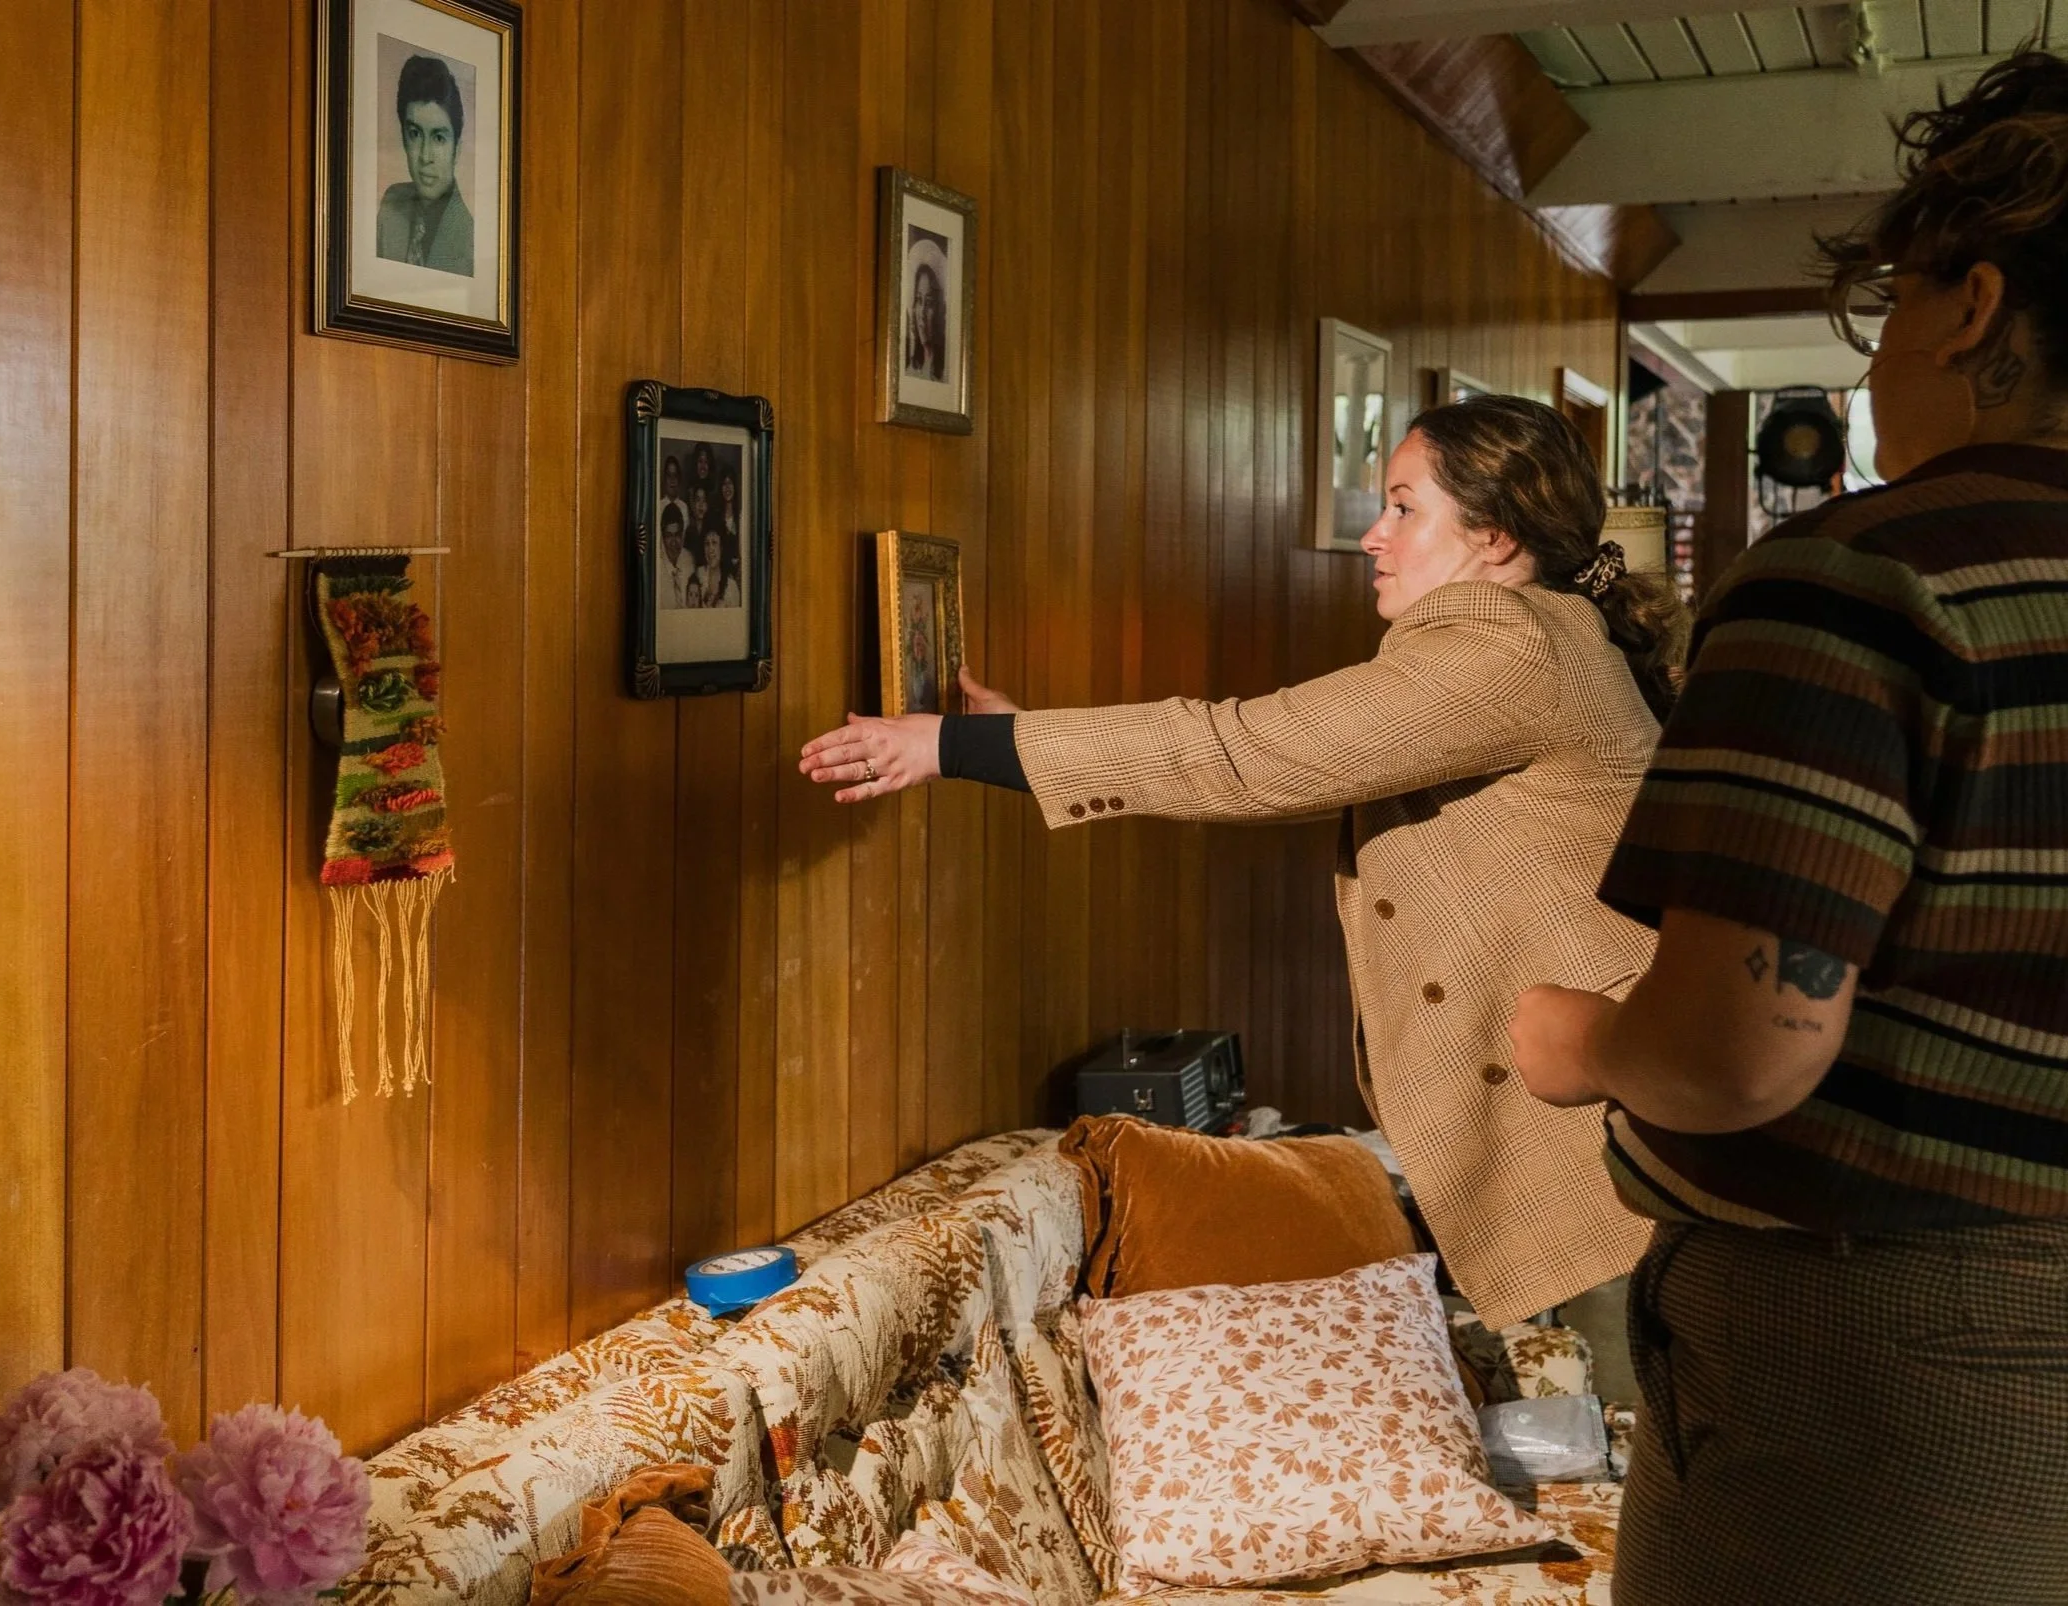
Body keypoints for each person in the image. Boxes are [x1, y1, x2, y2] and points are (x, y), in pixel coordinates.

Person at [1509, 51, 2068, 1603]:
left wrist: (1578, 1039)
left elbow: (1738, 1047)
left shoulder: (1866, 577)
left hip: (1887, 1375)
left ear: (1970, 305)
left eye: (1890, 301)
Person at [799, 395, 1689, 1325]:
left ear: (1495, 538)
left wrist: (950, 747)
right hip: (1601, 1122)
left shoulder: (1505, 650)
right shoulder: (1535, 636)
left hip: (1604, 1139)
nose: (1372, 538)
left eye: (1402, 507)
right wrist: (1020, 739)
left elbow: (1244, 754)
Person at [375, 54, 473, 276]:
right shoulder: (392, 201)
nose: (425, 156)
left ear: (457, 149)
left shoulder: (471, 238)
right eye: (415, 134)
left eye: (439, 138)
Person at [904, 239, 947, 381]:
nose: (921, 314)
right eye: (918, 300)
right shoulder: (911, 369)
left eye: (928, 303)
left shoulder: (945, 371)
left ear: (939, 308)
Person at [658, 503, 695, 609]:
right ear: (662, 537)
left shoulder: (689, 559)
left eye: (677, 535)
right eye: (669, 536)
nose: (674, 542)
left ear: (682, 535)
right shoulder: (656, 567)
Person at [695, 528, 740, 609]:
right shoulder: (699, 575)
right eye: (707, 544)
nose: (710, 550)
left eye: (714, 543)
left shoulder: (731, 587)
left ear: (722, 548)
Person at [659, 455, 690, 533]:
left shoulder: (684, 507)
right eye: (669, 476)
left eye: (675, 475)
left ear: (679, 478)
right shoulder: (659, 506)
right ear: (664, 479)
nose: (672, 480)